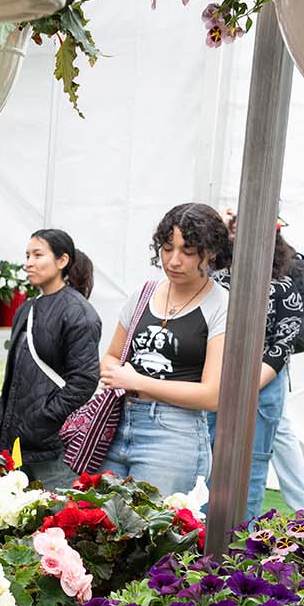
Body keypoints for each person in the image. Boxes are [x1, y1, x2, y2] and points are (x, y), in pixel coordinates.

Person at [93, 203, 230, 494]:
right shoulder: (144, 293)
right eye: (167, 248)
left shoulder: (220, 304)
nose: (174, 261)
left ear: (211, 253)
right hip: (119, 423)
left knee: (153, 533)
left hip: (174, 434)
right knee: (99, 530)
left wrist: (138, 381)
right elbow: (112, 356)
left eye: (187, 251)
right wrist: (113, 372)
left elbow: (212, 396)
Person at [207, 218, 304, 521]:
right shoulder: (215, 283)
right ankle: (200, 536)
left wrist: (248, 386)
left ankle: (243, 537)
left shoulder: (284, 288)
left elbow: (283, 343)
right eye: (235, 233)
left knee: (253, 464)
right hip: (213, 380)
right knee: (207, 460)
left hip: (263, 384)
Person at [0, 229, 100, 490]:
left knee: (53, 520)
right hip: (15, 441)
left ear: (62, 261)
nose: (29, 262)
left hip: (53, 446)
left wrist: (45, 417)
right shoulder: (27, 308)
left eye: (38, 255)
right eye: (27, 255)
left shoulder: (79, 313)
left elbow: (84, 381)